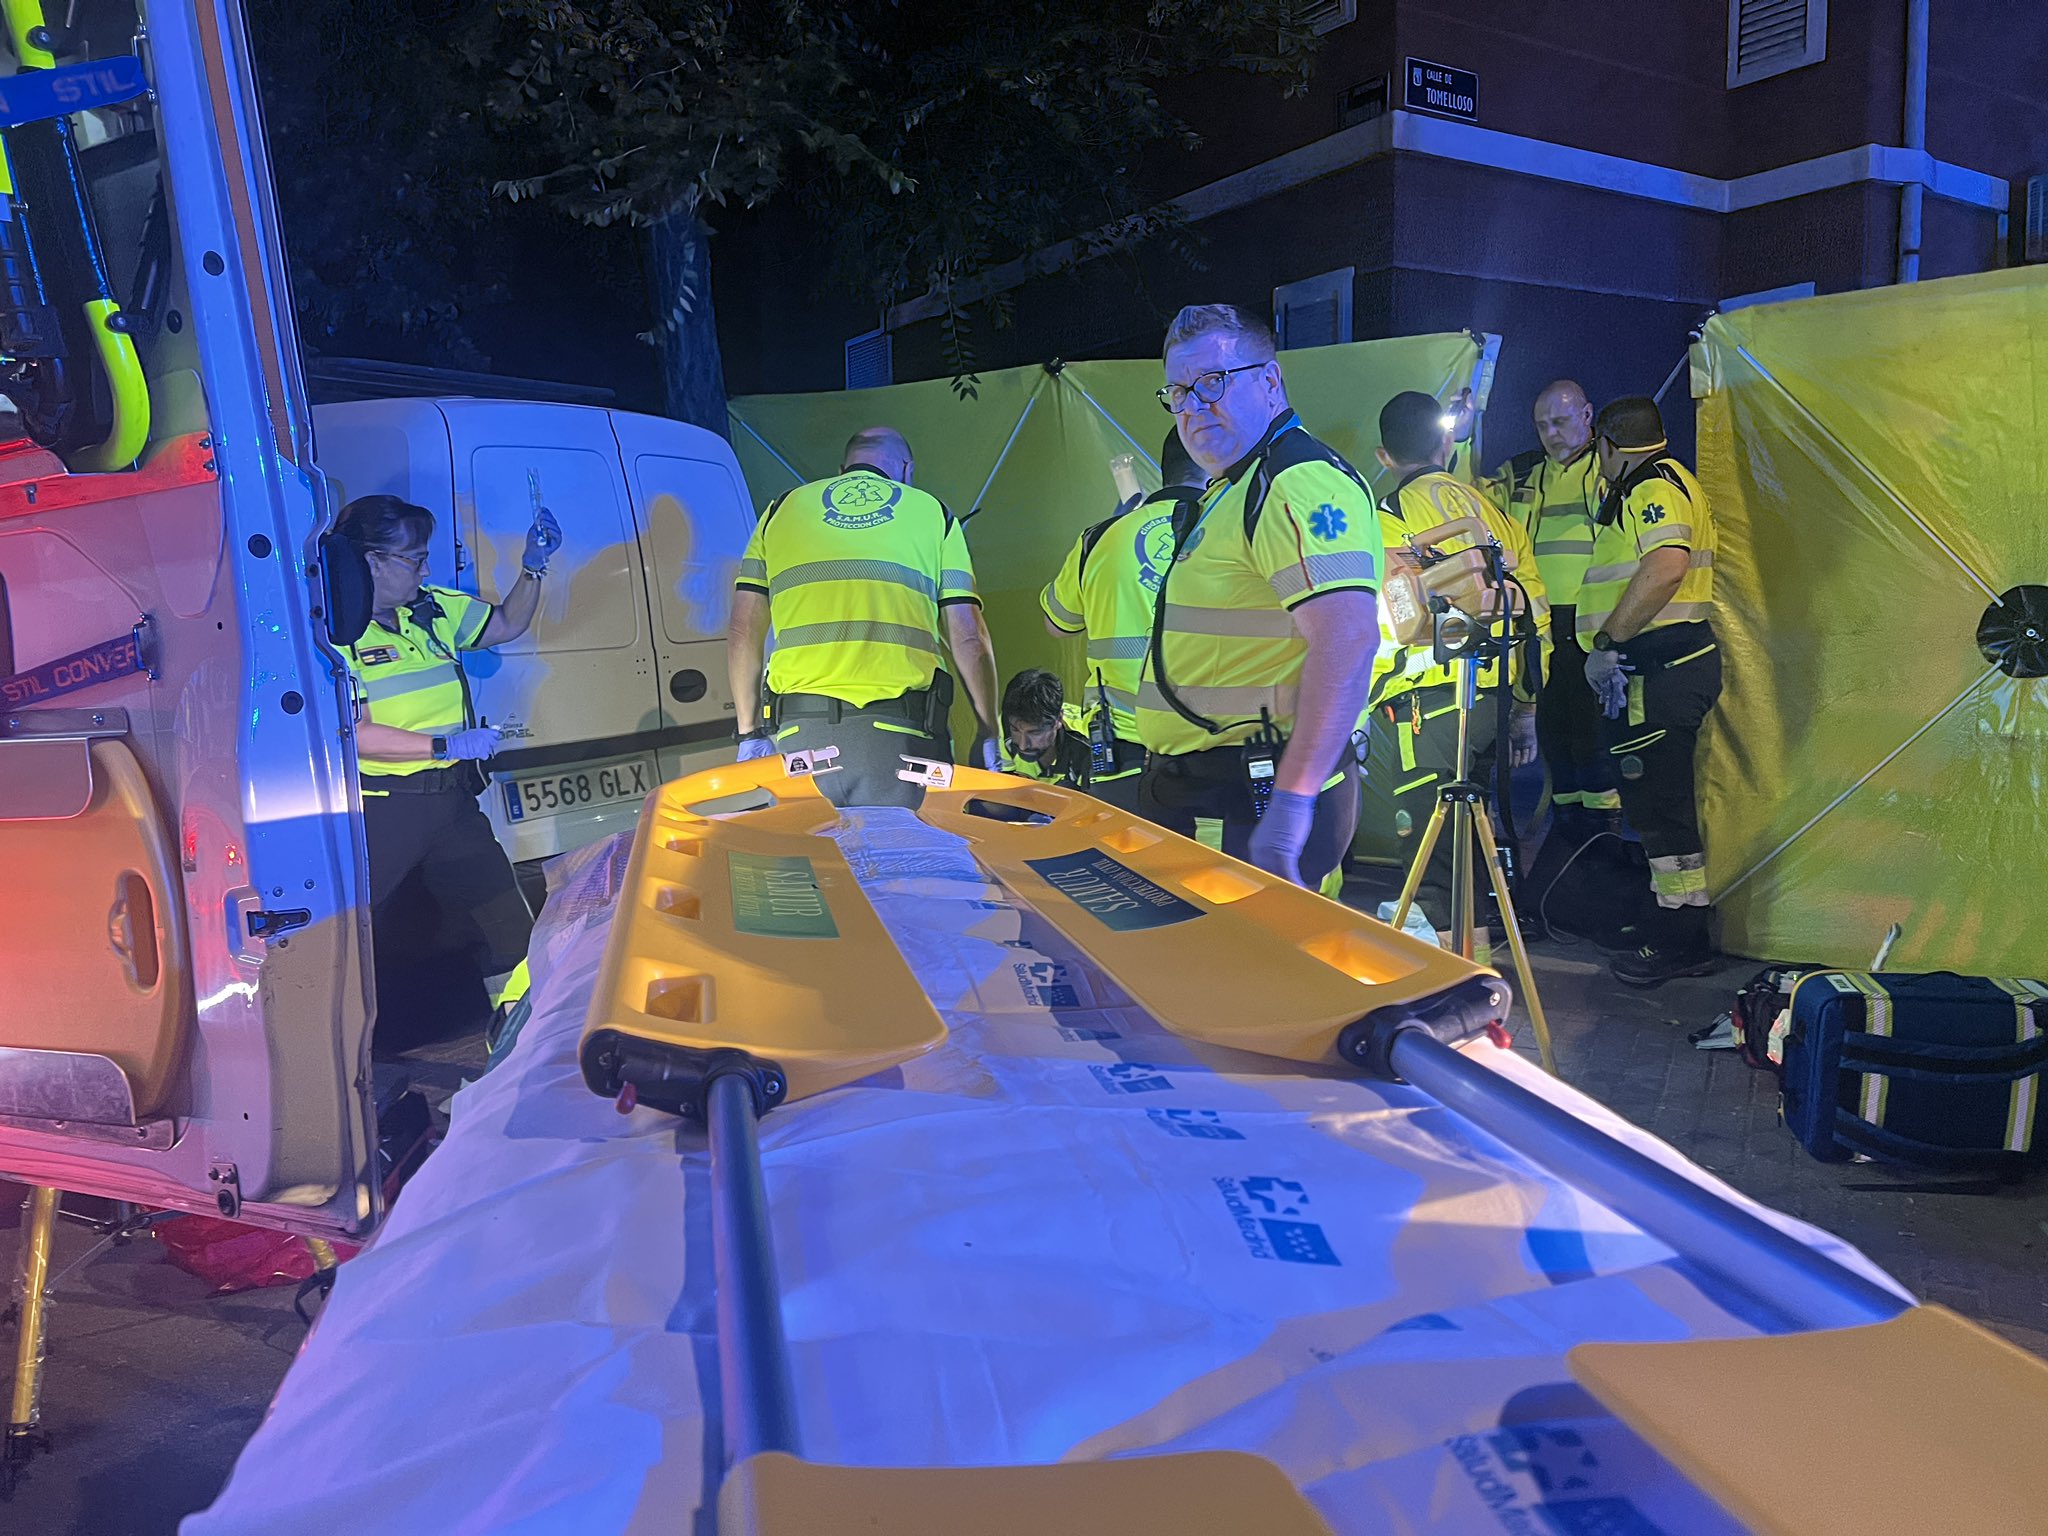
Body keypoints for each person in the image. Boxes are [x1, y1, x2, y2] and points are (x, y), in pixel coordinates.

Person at [1134, 304, 1383, 888]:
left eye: (1212, 383)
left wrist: (1291, 805)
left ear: (1270, 381)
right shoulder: (1240, 484)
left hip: (1249, 796)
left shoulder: (1293, 479)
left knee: (1243, 973)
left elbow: (1348, 639)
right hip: (1217, 789)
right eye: (1178, 393)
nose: (1192, 409)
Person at [340, 491, 560, 1022]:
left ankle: (522, 1038)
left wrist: (533, 567)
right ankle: (343, 1063)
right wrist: (444, 745)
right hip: (387, 808)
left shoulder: (431, 609)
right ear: (371, 561)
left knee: (508, 923)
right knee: (352, 937)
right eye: (413, 558)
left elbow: (506, 624)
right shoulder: (335, 635)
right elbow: (355, 732)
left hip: (451, 805)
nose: (424, 568)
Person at [728, 426, 1001, 809]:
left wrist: (748, 733)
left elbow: (743, 631)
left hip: (798, 738)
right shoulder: (933, 513)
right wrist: (989, 731)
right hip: (902, 737)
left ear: (845, 468)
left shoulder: (780, 511)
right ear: (907, 470)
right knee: (909, 863)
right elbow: (969, 636)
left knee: (817, 863)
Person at [1365, 391, 1547, 934]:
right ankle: (1479, 975)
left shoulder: (1386, 518)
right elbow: (1533, 615)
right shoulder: (1494, 515)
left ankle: (1447, 988)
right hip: (1490, 699)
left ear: (1383, 456)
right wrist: (1524, 706)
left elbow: (1397, 613)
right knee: (1473, 855)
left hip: (1426, 703)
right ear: (1447, 443)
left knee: (1436, 865)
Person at [1581, 395, 1721, 985]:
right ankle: (1676, 923)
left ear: (1610, 447)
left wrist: (1608, 640)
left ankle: (1678, 939)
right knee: (1658, 805)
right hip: (1666, 667)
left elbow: (1666, 566)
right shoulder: (1666, 478)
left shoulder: (1651, 487)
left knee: (1659, 810)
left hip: (1659, 668)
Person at [1485, 380, 1621, 875]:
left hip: (1591, 627)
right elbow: (1466, 490)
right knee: (1557, 750)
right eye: (1542, 425)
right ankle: (1569, 870)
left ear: (1588, 415)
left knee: (1594, 750)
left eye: (1561, 422)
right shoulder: (1521, 475)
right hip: (1541, 629)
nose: (1550, 434)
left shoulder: (1608, 470)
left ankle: (1604, 862)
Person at [1038, 428, 1206, 811]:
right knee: (1207, 867)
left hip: (1121, 745)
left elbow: (1057, 622)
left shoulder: (1099, 538)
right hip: (1210, 744)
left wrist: (1108, 537)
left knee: (1131, 864)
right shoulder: (1239, 526)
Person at [998, 668, 1095, 786]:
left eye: (1034, 733)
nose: (1023, 745)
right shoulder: (1002, 729)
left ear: (1058, 720)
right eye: (1015, 730)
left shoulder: (1088, 747)